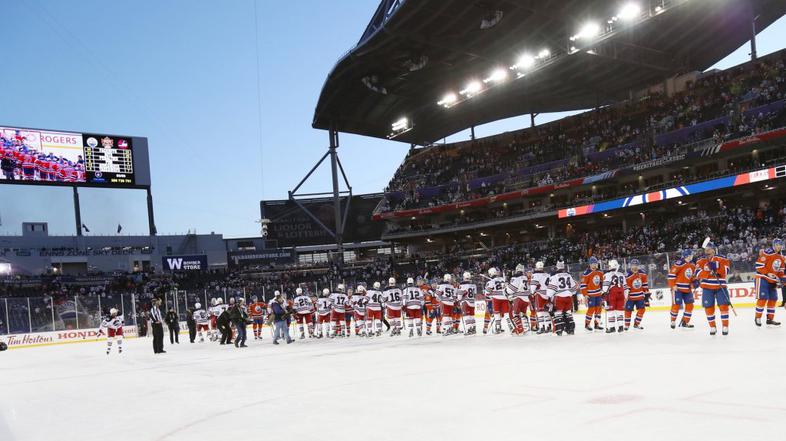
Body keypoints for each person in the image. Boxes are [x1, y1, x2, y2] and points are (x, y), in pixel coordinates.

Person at [696, 241, 732, 336]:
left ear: (714, 249)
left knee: (724, 306)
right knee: (708, 307)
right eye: (706, 249)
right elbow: (697, 273)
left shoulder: (722, 258)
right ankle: (712, 327)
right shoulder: (701, 260)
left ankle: (725, 326)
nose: (707, 251)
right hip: (707, 287)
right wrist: (709, 273)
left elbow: (726, 270)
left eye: (709, 249)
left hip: (720, 286)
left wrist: (717, 266)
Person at [753, 238, 784, 327]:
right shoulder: (767, 252)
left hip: (773, 281)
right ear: (774, 245)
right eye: (777, 244)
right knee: (763, 298)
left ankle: (770, 319)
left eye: (780, 245)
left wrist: (780, 281)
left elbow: (781, 271)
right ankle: (757, 317)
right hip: (762, 278)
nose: (779, 246)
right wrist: (767, 273)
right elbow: (758, 266)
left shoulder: (781, 257)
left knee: (773, 299)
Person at [668, 250, 698, 329]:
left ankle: (685, 322)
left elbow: (692, 276)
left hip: (687, 289)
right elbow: (671, 275)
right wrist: (673, 285)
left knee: (690, 306)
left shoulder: (692, 264)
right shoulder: (679, 263)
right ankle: (673, 321)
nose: (692, 256)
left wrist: (695, 282)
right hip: (678, 288)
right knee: (676, 305)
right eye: (691, 255)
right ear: (686, 255)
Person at [548, 262, 577, 336]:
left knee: (558, 313)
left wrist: (549, 296)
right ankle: (570, 329)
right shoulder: (568, 275)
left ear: (557, 267)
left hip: (559, 297)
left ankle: (559, 330)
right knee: (568, 313)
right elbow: (574, 289)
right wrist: (572, 293)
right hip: (568, 297)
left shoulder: (555, 276)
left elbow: (551, 289)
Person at [624, 259, 649, 331]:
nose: (635, 267)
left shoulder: (643, 274)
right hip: (630, 297)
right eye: (633, 265)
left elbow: (645, 285)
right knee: (628, 311)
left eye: (636, 265)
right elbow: (626, 288)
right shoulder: (627, 275)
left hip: (640, 296)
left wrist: (646, 295)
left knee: (642, 309)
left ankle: (637, 324)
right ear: (630, 266)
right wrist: (626, 297)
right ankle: (626, 325)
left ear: (639, 266)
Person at [580, 256, 604, 331]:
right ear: (590, 264)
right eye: (593, 264)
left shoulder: (600, 272)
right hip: (590, 295)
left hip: (598, 294)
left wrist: (603, 291)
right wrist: (585, 295)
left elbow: (602, 282)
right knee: (591, 309)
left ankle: (597, 324)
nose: (594, 265)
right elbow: (583, 285)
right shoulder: (586, 273)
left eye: (595, 264)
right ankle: (587, 324)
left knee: (598, 310)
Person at [603, 259, 627, 333]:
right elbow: (625, 287)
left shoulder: (607, 275)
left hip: (612, 294)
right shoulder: (621, 274)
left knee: (611, 311)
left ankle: (612, 327)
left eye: (609, 266)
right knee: (620, 311)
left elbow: (605, 287)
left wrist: (603, 294)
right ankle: (621, 327)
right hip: (621, 294)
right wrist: (625, 296)